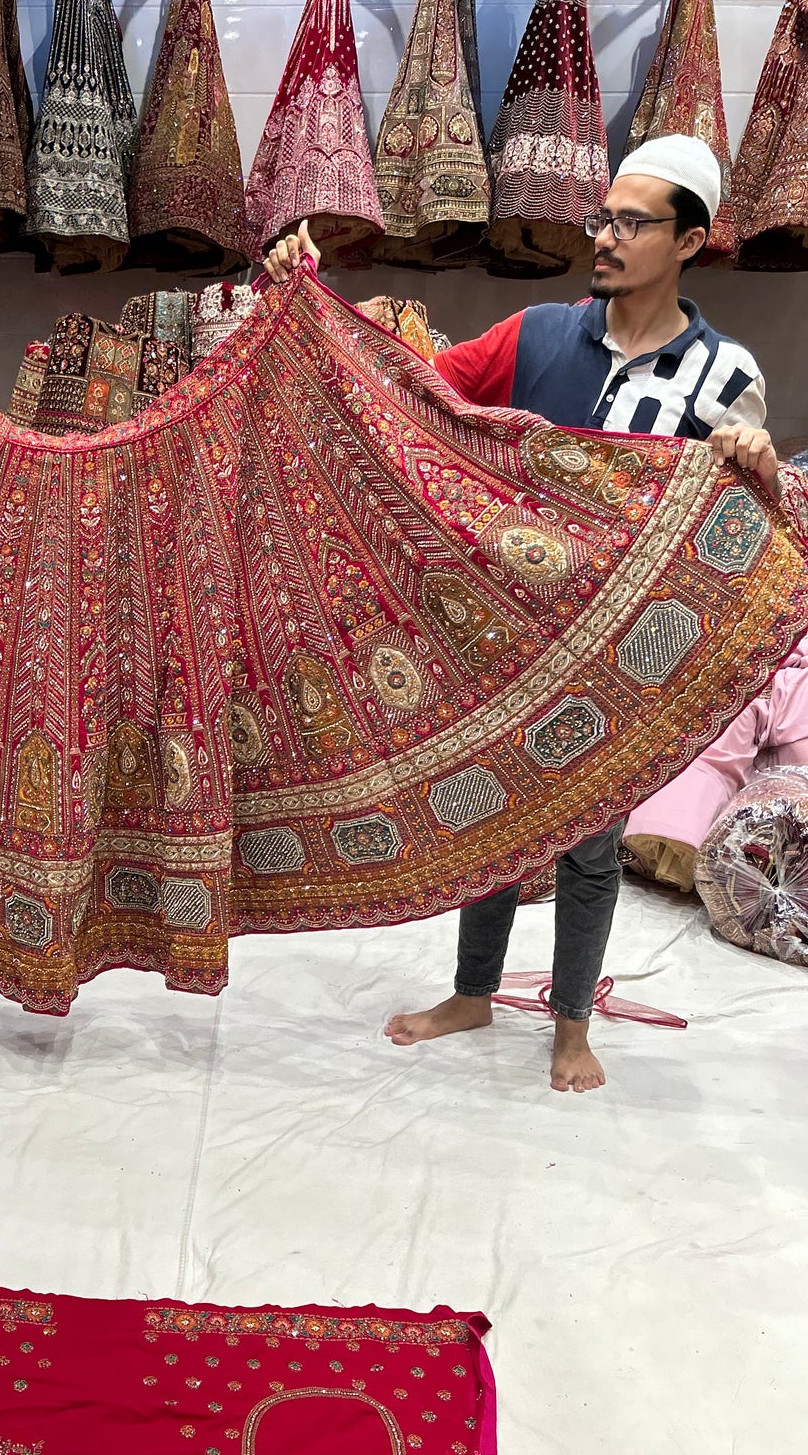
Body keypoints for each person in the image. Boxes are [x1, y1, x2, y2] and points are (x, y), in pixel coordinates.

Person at [264, 133, 780, 1091]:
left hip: (625, 659)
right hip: (508, 641)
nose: (608, 238)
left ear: (691, 241)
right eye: (604, 217)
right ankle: (470, 992)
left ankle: (570, 1023)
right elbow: (409, 390)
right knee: (490, 818)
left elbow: (741, 534)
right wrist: (314, 308)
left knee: (586, 842)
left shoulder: (722, 378)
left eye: (633, 223)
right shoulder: (538, 332)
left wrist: (750, 458)